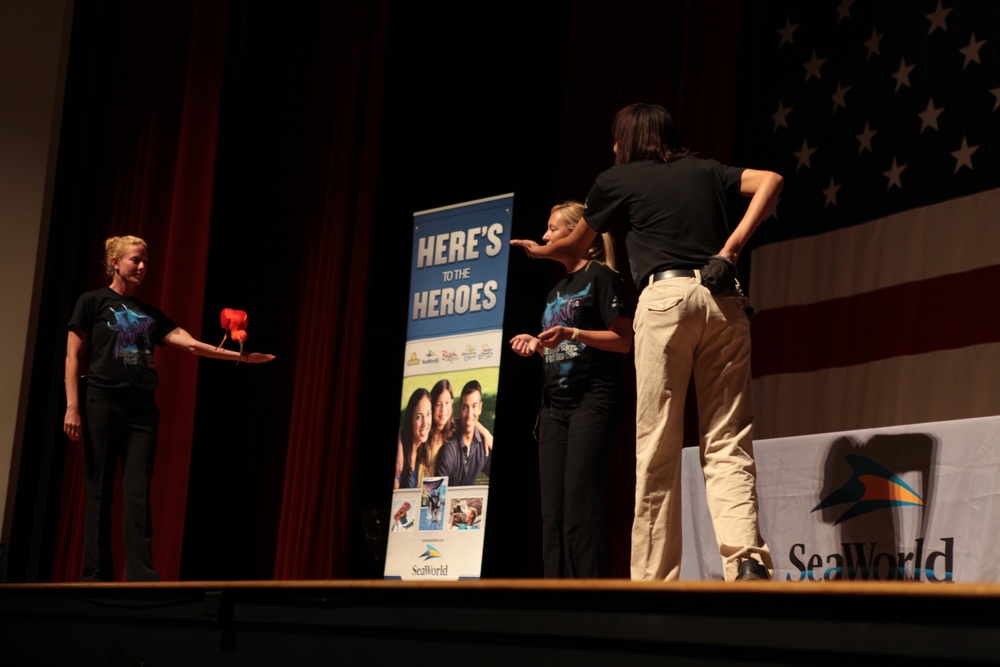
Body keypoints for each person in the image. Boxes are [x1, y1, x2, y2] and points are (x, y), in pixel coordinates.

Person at [512, 103, 783, 582]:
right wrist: (730, 250)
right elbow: (772, 181)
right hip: (724, 297)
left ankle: (654, 581)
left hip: (665, 301)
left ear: (629, 140)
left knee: (657, 443)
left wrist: (541, 250)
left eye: (617, 139)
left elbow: (576, 246)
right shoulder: (705, 169)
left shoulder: (617, 180)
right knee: (727, 439)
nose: (614, 148)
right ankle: (745, 561)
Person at [63, 235, 275, 582]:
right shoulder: (93, 302)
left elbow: (191, 345)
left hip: (142, 410)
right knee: (99, 488)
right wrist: (73, 407)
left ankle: (142, 575)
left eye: (145, 261)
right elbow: (73, 356)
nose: (143, 266)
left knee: (138, 491)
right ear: (115, 263)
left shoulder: (151, 314)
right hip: (101, 401)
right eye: (135, 260)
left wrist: (241, 357)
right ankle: (96, 575)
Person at [510, 201, 632, 578]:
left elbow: (623, 340)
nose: (545, 236)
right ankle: (553, 597)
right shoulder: (555, 291)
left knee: (580, 506)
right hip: (554, 409)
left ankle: (589, 599)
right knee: (553, 513)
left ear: (578, 234)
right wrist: (535, 342)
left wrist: (573, 332)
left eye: (552, 228)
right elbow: (559, 343)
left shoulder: (602, 276)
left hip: (591, 402)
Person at [436, 380, 492, 486]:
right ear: (460, 409)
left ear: (480, 408)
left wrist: (485, 432)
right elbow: (435, 496)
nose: (469, 414)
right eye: (465, 407)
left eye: (474, 406)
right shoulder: (448, 451)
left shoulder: (483, 445)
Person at [415, 379, 457, 486]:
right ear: (432, 406)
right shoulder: (425, 430)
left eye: (447, 403)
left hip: (437, 496)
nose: (443, 410)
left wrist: (486, 433)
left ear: (452, 403)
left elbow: (469, 422)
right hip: (416, 489)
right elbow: (404, 430)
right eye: (438, 404)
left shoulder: (454, 432)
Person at [395, 387, 431, 489]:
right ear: (411, 419)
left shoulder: (424, 447)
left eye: (428, 414)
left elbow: (460, 421)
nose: (425, 424)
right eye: (419, 417)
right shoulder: (400, 460)